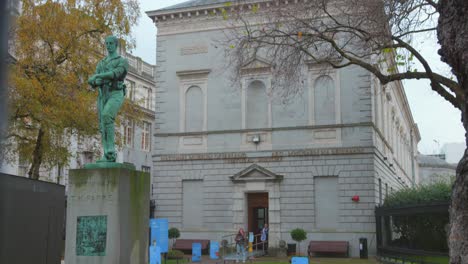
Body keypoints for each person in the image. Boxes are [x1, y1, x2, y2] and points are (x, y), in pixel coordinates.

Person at [88, 35, 128, 162]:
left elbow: (115, 74)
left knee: (107, 115)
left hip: (116, 93)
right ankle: (107, 154)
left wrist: (99, 76)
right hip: (103, 94)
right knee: (103, 125)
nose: (109, 45)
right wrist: (94, 81)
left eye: (111, 43)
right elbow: (93, 80)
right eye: (107, 43)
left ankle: (110, 149)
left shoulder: (121, 61)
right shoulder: (102, 63)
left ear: (116, 45)